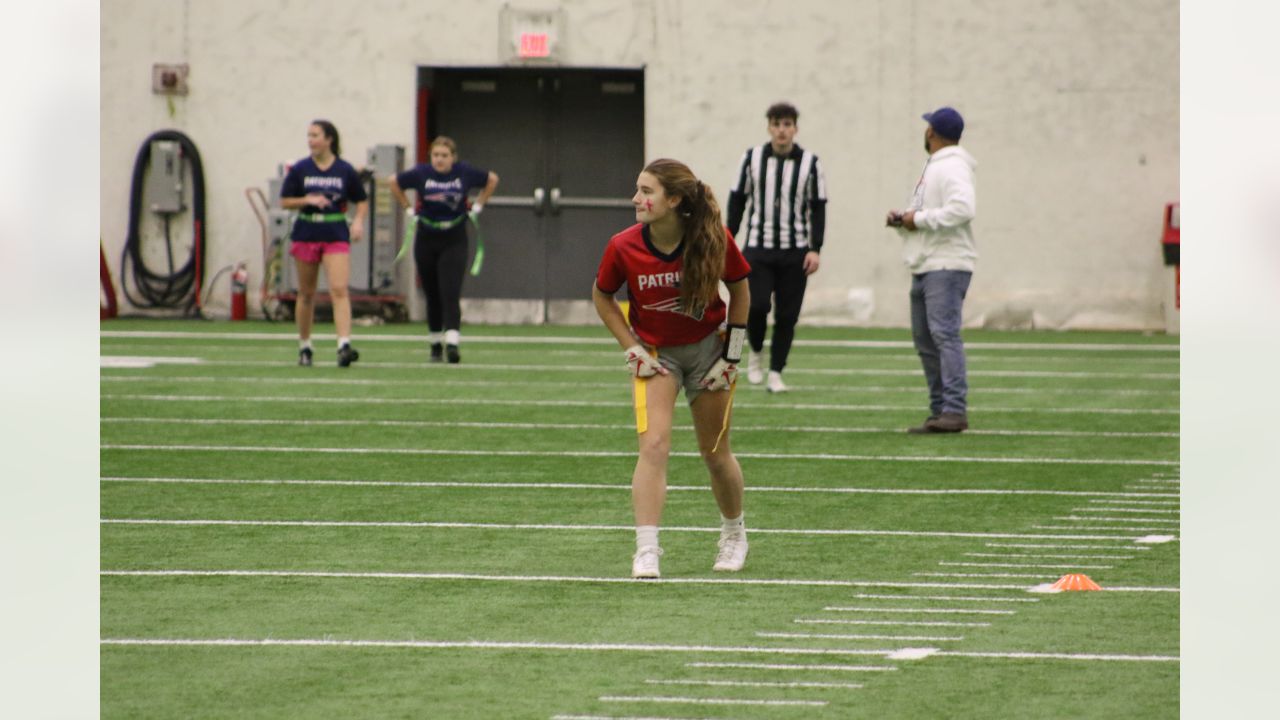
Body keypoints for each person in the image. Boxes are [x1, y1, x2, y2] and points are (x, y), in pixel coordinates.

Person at [593, 158, 752, 579]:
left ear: (675, 199)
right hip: (657, 355)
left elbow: (740, 292)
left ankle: (734, 534)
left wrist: (731, 357)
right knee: (654, 447)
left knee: (715, 453)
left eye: (647, 191)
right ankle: (647, 549)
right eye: (638, 189)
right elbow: (602, 295)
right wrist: (631, 347)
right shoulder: (622, 245)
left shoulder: (713, 237)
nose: (636, 199)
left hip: (708, 351)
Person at [886, 106, 977, 433]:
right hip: (928, 262)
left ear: (932, 132)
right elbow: (933, 213)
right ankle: (941, 410)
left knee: (943, 335)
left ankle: (954, 409)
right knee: (926, 339)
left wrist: (918, 219)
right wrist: (905, 220)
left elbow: (963, 209)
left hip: (946, 264)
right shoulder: (938, 166)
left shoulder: (952, 165)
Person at [726, 101, 828, 393]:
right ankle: (756, 353)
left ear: (795, 128)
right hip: (758, 247)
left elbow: (818, 208)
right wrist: (728, 240)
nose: (781, 130)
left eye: (787, 125)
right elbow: (737, 201)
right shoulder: (751, 158)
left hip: (795, 251)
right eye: (776, 124)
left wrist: (815, 248)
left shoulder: (811, 163)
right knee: (756, 306)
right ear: (768, 127)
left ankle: (776, 372)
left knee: (787, 315)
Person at [389, 136, 499, 363]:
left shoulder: (464, 172)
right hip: (427, 236)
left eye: (444, 156)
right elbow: (393, 181)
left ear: (453, 157)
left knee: (450, 290)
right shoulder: (421, 173)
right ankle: (435, 343)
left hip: (454, 236)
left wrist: (478, 205)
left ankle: (452, 342)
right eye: (435, 155)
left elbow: (492, 179)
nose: (439, 160)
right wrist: (407, 208)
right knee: (432, 293)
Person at [280, 120, 369, 367]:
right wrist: (306, 199)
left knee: (339, 290)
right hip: (307, 232)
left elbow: (361, 200)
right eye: (308, 135)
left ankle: (343, 345)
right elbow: (285, 201)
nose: (311, 140)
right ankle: (305, 346)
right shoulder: (300, 169)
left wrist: (358, 222)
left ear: (329, 139)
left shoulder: (344, 169)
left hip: (335, 233)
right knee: (307, 294)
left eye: (315, 135)